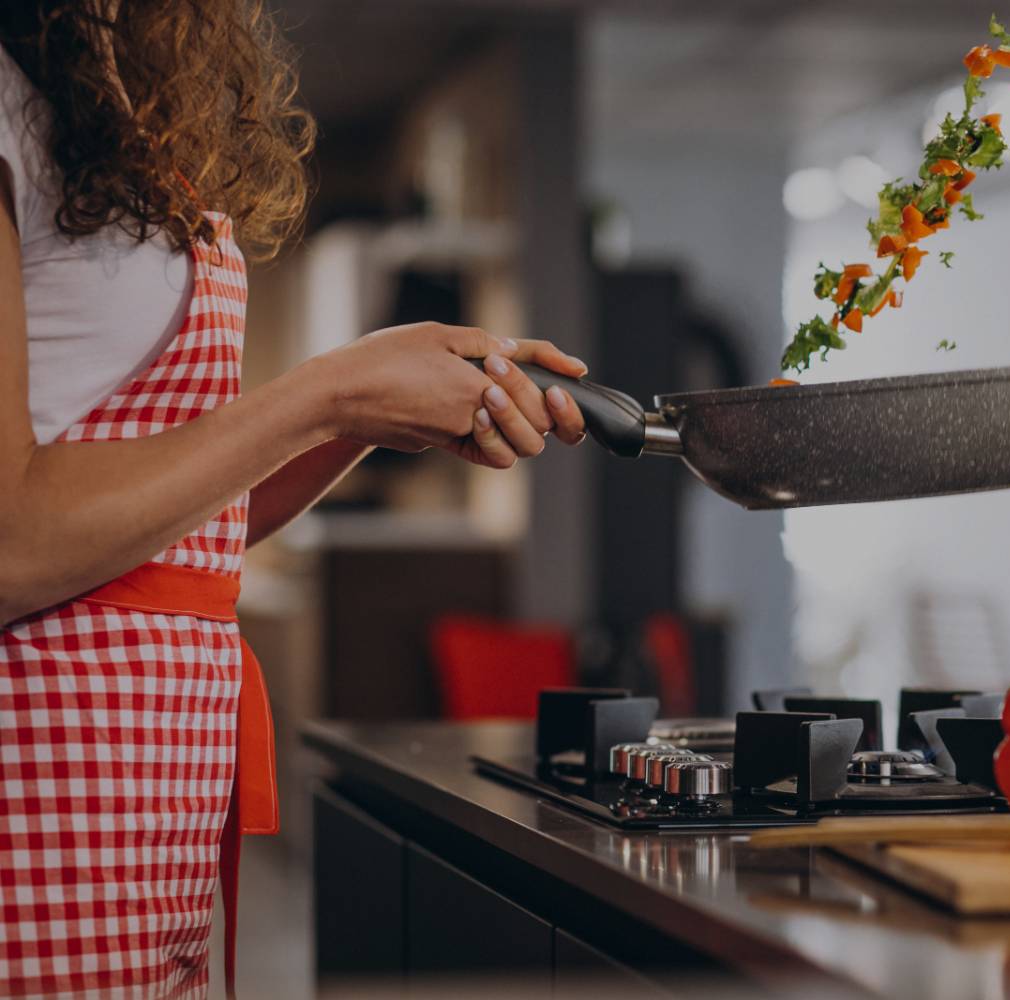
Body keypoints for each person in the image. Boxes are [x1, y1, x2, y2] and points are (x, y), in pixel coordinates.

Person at [0, 2, 588, 994]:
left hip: (151, 795)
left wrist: (364, 416)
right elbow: (14, 542)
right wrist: (332, 390)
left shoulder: (88, 105)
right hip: (41, 777)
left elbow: (181, 535)